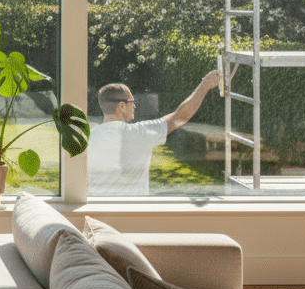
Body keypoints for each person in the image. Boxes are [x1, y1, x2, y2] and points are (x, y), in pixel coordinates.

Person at [87, 71, 222, 196]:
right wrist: (205, 85)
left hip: (98, 213)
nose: (134, 106)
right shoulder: (139, 134)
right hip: (133, 217)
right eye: (131, 102)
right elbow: (180, 116)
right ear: (121, 106)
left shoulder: (88, 139)